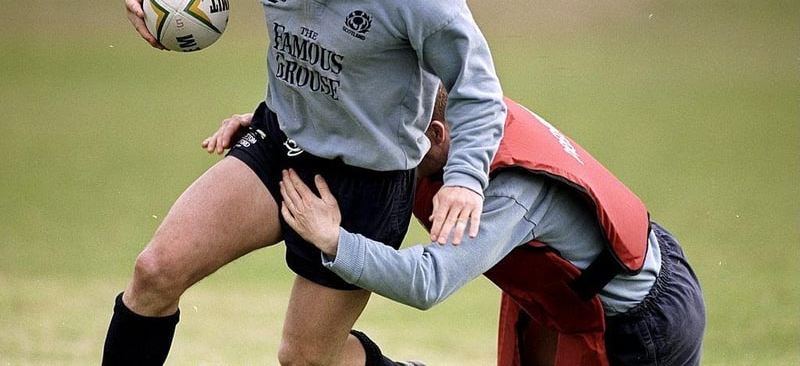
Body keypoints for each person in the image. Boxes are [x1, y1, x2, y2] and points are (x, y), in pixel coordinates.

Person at [102, 0, 506, 365]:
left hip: (367, 182)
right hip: (279, 144)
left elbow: (478, 87)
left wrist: (465, 180)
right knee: (154, 273)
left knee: (305, 360)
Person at [260, 86, 706, 365]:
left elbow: (427, 281)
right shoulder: (468, 113)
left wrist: (335, 241)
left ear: (435, 135)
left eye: (389, 135)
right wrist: (275, 128)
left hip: (641, 320)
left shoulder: (507, 191)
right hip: (567, 294)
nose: (375, 145)